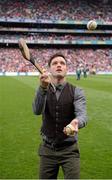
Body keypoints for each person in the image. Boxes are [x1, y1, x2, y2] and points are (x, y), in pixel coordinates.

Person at [32, 53, 87, 179]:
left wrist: (76, 122)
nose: (59, 65)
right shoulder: (43, 89)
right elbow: (36, 110)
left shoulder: (77, 91)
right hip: (47, 149)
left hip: (69, 149)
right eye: (55, 63)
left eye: (62, 63)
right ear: (49, 69)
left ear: (67, 69)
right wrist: (42, 88)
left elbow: (82, 114)